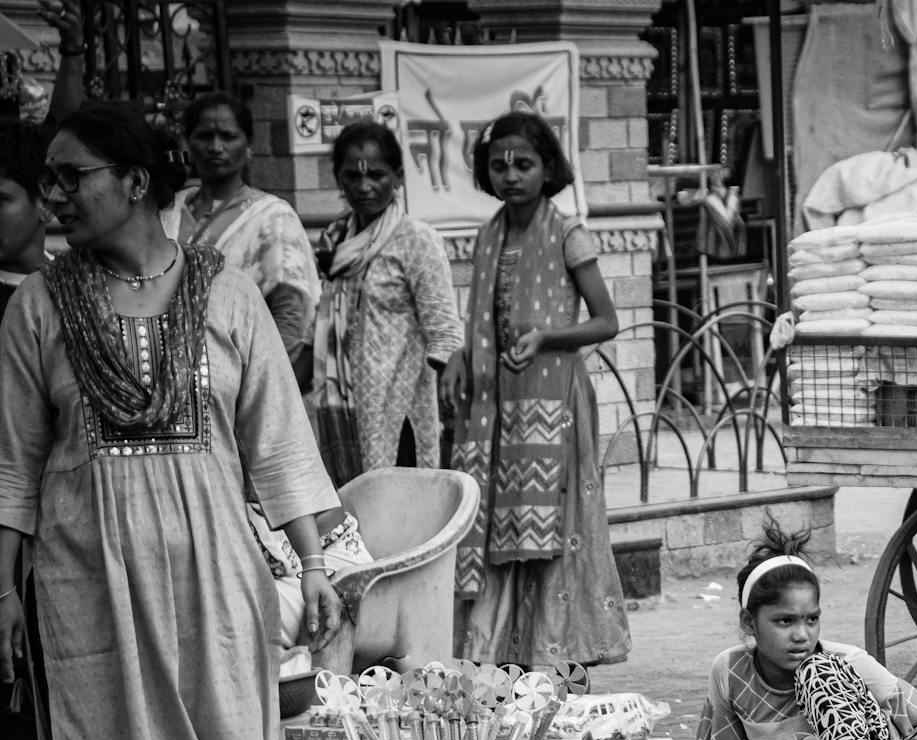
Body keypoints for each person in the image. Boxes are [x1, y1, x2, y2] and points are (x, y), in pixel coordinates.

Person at [0, 103, 342, 740]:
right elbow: (14, 467)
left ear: (136, 182)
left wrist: (315, 564)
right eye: (50, 179)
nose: (57, 195)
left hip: (209, 572)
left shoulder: (227, 295)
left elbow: (275, 442)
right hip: (86, 579)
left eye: (75, 176)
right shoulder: (38, 305)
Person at [451, 112, 631, 668]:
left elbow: (606, 321)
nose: (510, 175)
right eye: (498, 165)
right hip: (495, 406)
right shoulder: (488, 235)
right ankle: (504, 659)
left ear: (547, 168)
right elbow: (483, 318)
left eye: (524, 164)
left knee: (558, 529)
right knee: (499, 531)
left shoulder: (567, 231)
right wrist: (462, 356)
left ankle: (559, 657)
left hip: (553, 402)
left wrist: (546, 337)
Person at [0, 119, 93, 740]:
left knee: (27, 728)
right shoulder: (25, 303)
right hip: (12, 536)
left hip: (40, 544)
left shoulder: (59, 295)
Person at [695, 518, 917, 740]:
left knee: (817, 672)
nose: (801, 635)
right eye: (785, 621)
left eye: (812, 620)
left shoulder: (846, 664)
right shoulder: (730, 673)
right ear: (748, 622)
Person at [308, 121, 461, 486]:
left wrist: (450, 405)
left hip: (397, 406)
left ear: (398, 176)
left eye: (376, 175)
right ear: (338, 179)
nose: (364, 187)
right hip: (340, 403)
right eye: (352, 176)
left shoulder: (416, 240)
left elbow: (444, 331)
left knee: (397, 513)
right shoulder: (333, 241)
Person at [180, 91, 320, 381]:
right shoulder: (170, 214)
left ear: (248, 147)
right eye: (205, 136)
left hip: (240, 379)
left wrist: (258, 382)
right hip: (173, 378)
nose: (216, 147)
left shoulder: (271, 218)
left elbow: (291, 314)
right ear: (187, 144)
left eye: (228, 137)